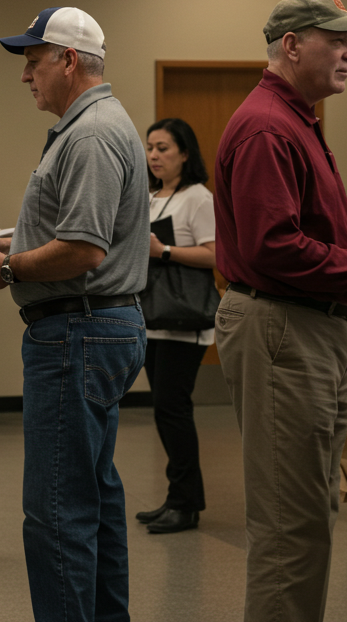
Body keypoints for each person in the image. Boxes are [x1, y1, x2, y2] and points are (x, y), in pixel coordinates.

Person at [0, 6, 148, 622]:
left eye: (33, 61)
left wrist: (8, 269)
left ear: (69, 61)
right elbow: (77, 228)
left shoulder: (90, 134)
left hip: (77, 332)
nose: (25, 76)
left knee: (57, 510)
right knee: (93, 496)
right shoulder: (94, 126)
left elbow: (84, 250)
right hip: (95, 330)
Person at [213, 0, 347, 622]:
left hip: (309, 327)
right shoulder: (267, 127)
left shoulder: (294, 118)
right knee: (290, 526)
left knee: (308, 513)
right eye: (338, 41)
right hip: (283, 327)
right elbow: (274, 247)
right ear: (292, 45)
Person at [135, 118, 216, 535]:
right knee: (164, 410)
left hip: (185, 321)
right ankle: (177, 497)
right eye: (150, 147)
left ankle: (186, 504)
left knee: (173, 409)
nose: (154, 155)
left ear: (185, 153)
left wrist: (164, 250)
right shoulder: (149, 198)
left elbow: (215, 254)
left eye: (163, 148)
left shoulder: (198, 198)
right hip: (153, 318)